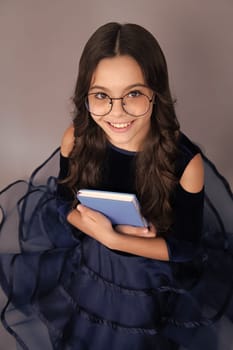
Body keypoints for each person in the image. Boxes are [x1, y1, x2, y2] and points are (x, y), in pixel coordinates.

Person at [0, 22, 233, 350]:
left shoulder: (185, 164)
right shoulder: (76, 139)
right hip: (94, 273)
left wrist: (114, 238)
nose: (117, 112)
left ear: (156, 93)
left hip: (153, 284)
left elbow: (186, 248)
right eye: (101, 96)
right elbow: (61, 204)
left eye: (134, 94)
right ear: (86, 96)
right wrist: (101, 234)